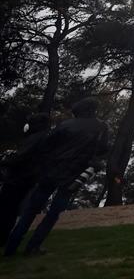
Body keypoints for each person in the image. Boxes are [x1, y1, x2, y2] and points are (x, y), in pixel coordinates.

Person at [6, 99, 108, 257]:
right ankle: (33, 247)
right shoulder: (101, 127)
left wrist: (47, 165)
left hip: (51, 172)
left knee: (31, 210)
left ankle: (11, 247)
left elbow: (46, 145)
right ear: (93, 109)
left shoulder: (65, 124)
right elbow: (102, 150)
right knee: (53, 213)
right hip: (72, 176)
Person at [0, 112, 51, 241]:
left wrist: (5, 160)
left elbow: (22, 156)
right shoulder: (45, 137)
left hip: (18, 178)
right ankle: (4, 235)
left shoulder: (35, 138)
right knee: (12, 208)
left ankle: (2, 235)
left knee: (6, 207)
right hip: (28, 178)